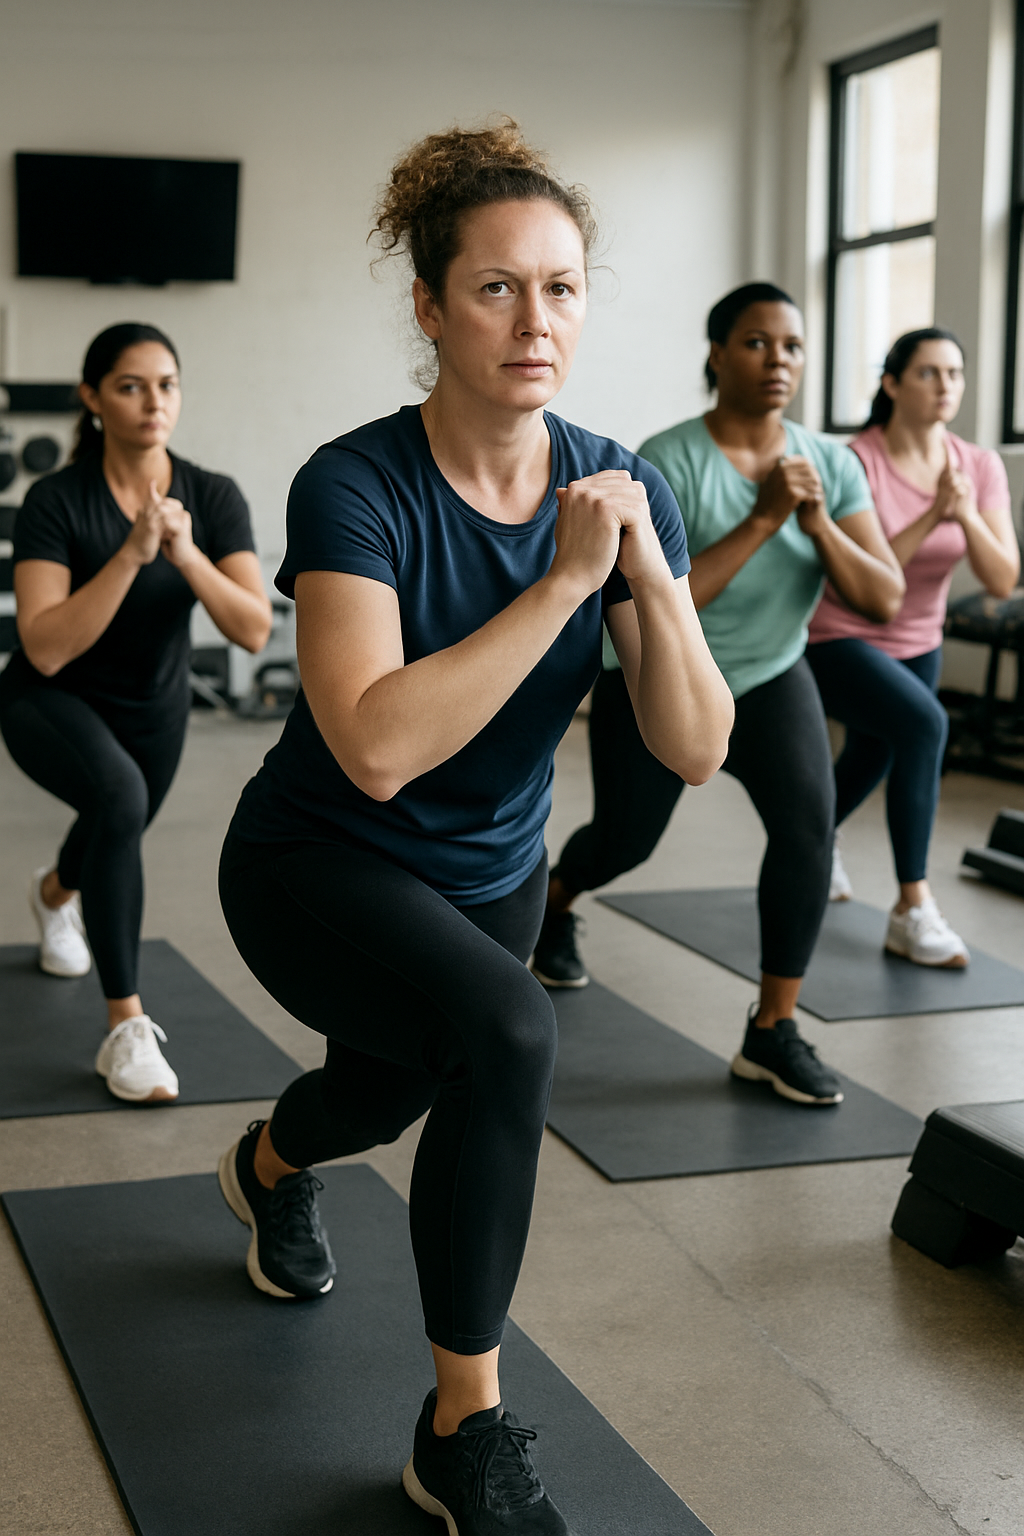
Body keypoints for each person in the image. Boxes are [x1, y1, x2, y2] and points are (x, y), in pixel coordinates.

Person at [215, 121, 733, 1535]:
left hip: (489, 880)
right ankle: (464, 1425)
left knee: (387, 1093)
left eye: (561, 287)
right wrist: (568, 586)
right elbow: (374, 746)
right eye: (496, 287)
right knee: (507, 1033)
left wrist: (655, 578)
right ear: (432, 304)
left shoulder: (617, 482)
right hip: (316, 867)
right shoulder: (356, 484)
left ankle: (266, 1168)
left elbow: (693, 745)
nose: (534, 319)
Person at [532, 282, 906, 1105]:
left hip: (772, 672)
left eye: (794, 346)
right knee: (627, 841)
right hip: (655, 674)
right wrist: (767, 518)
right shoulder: (664, 460)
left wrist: (820, 525)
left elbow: (882, 596)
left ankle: (773, 1028)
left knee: (808, 827)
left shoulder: (830, 463)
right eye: (757, 343)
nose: (779, 361)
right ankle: (556, 900)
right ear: (717, 353)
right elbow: (662, 602)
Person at [0, 323, 271, 1102]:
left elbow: (252, 626)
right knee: (117, 799)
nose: (154, 401)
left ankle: (54, 894)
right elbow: (46, 647)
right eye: (130, 385)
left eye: (167, 384)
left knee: (117, 817)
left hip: (156, 705)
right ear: (91, 398)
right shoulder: (56, 501)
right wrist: (131, 552)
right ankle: (126, 1028)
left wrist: (185, 552)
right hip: (51, 700)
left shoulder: (212, 496)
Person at [807, 328, 1019, 965]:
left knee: (874, 751)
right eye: (929, 373)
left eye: (954, 374)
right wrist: (932, 515)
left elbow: (1002, 579)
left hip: (920, 642)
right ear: (893, 384)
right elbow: (870, 578)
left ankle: (815, 842)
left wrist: (965, 513)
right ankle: (912, 906)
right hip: (839, 634)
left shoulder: (978, 466)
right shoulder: (856, 461)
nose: (945, 386)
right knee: (925, 725)